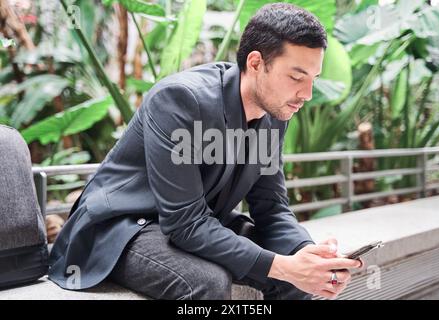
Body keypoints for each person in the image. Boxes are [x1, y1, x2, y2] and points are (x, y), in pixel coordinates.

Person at [48, 3, 362, 300]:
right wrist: (281, 266)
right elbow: (184, 221)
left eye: (313, 79)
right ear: (255, 63)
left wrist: (307, 255)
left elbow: (271, 207)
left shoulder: (276, 109)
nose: (306, 94)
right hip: (122, 229)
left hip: (199, 221)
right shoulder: (180, 100)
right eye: (296, 77)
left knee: (295, 273)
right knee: (208, 283)